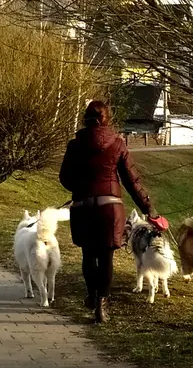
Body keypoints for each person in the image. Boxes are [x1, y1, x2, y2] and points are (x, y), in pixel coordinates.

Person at [59, 99, 167, 324]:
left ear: (85, 119)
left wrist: (81, 187)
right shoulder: (117, 143)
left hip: (83, 206)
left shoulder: (75, 145)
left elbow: (65, 178)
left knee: (88, 254)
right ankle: (102, 303)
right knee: (106, 257)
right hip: (110, 208)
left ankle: (91, 294)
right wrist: (150, 211)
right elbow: (131, 180)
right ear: (106, 119)